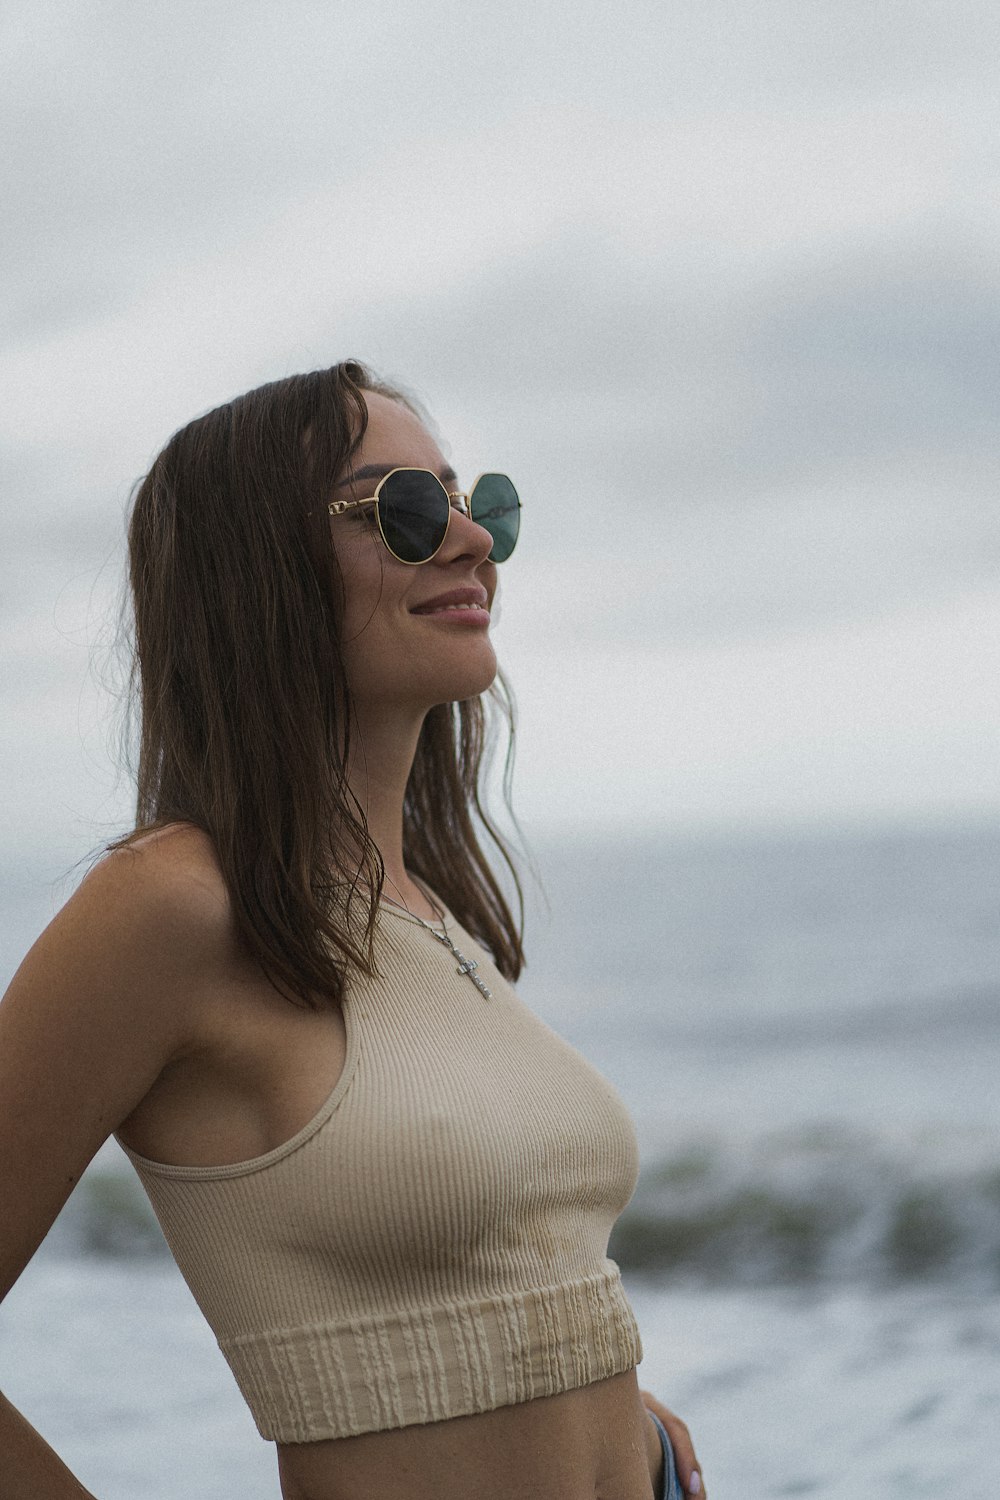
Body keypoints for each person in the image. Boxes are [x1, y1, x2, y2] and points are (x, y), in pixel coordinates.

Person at [0, 361, 705, 1499]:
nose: (470, 538)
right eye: (408, 511)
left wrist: (620, 1408)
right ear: (258, 573)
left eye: (474, 502)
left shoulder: (427, 908)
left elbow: (488, 1276)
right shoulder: (174, 906)